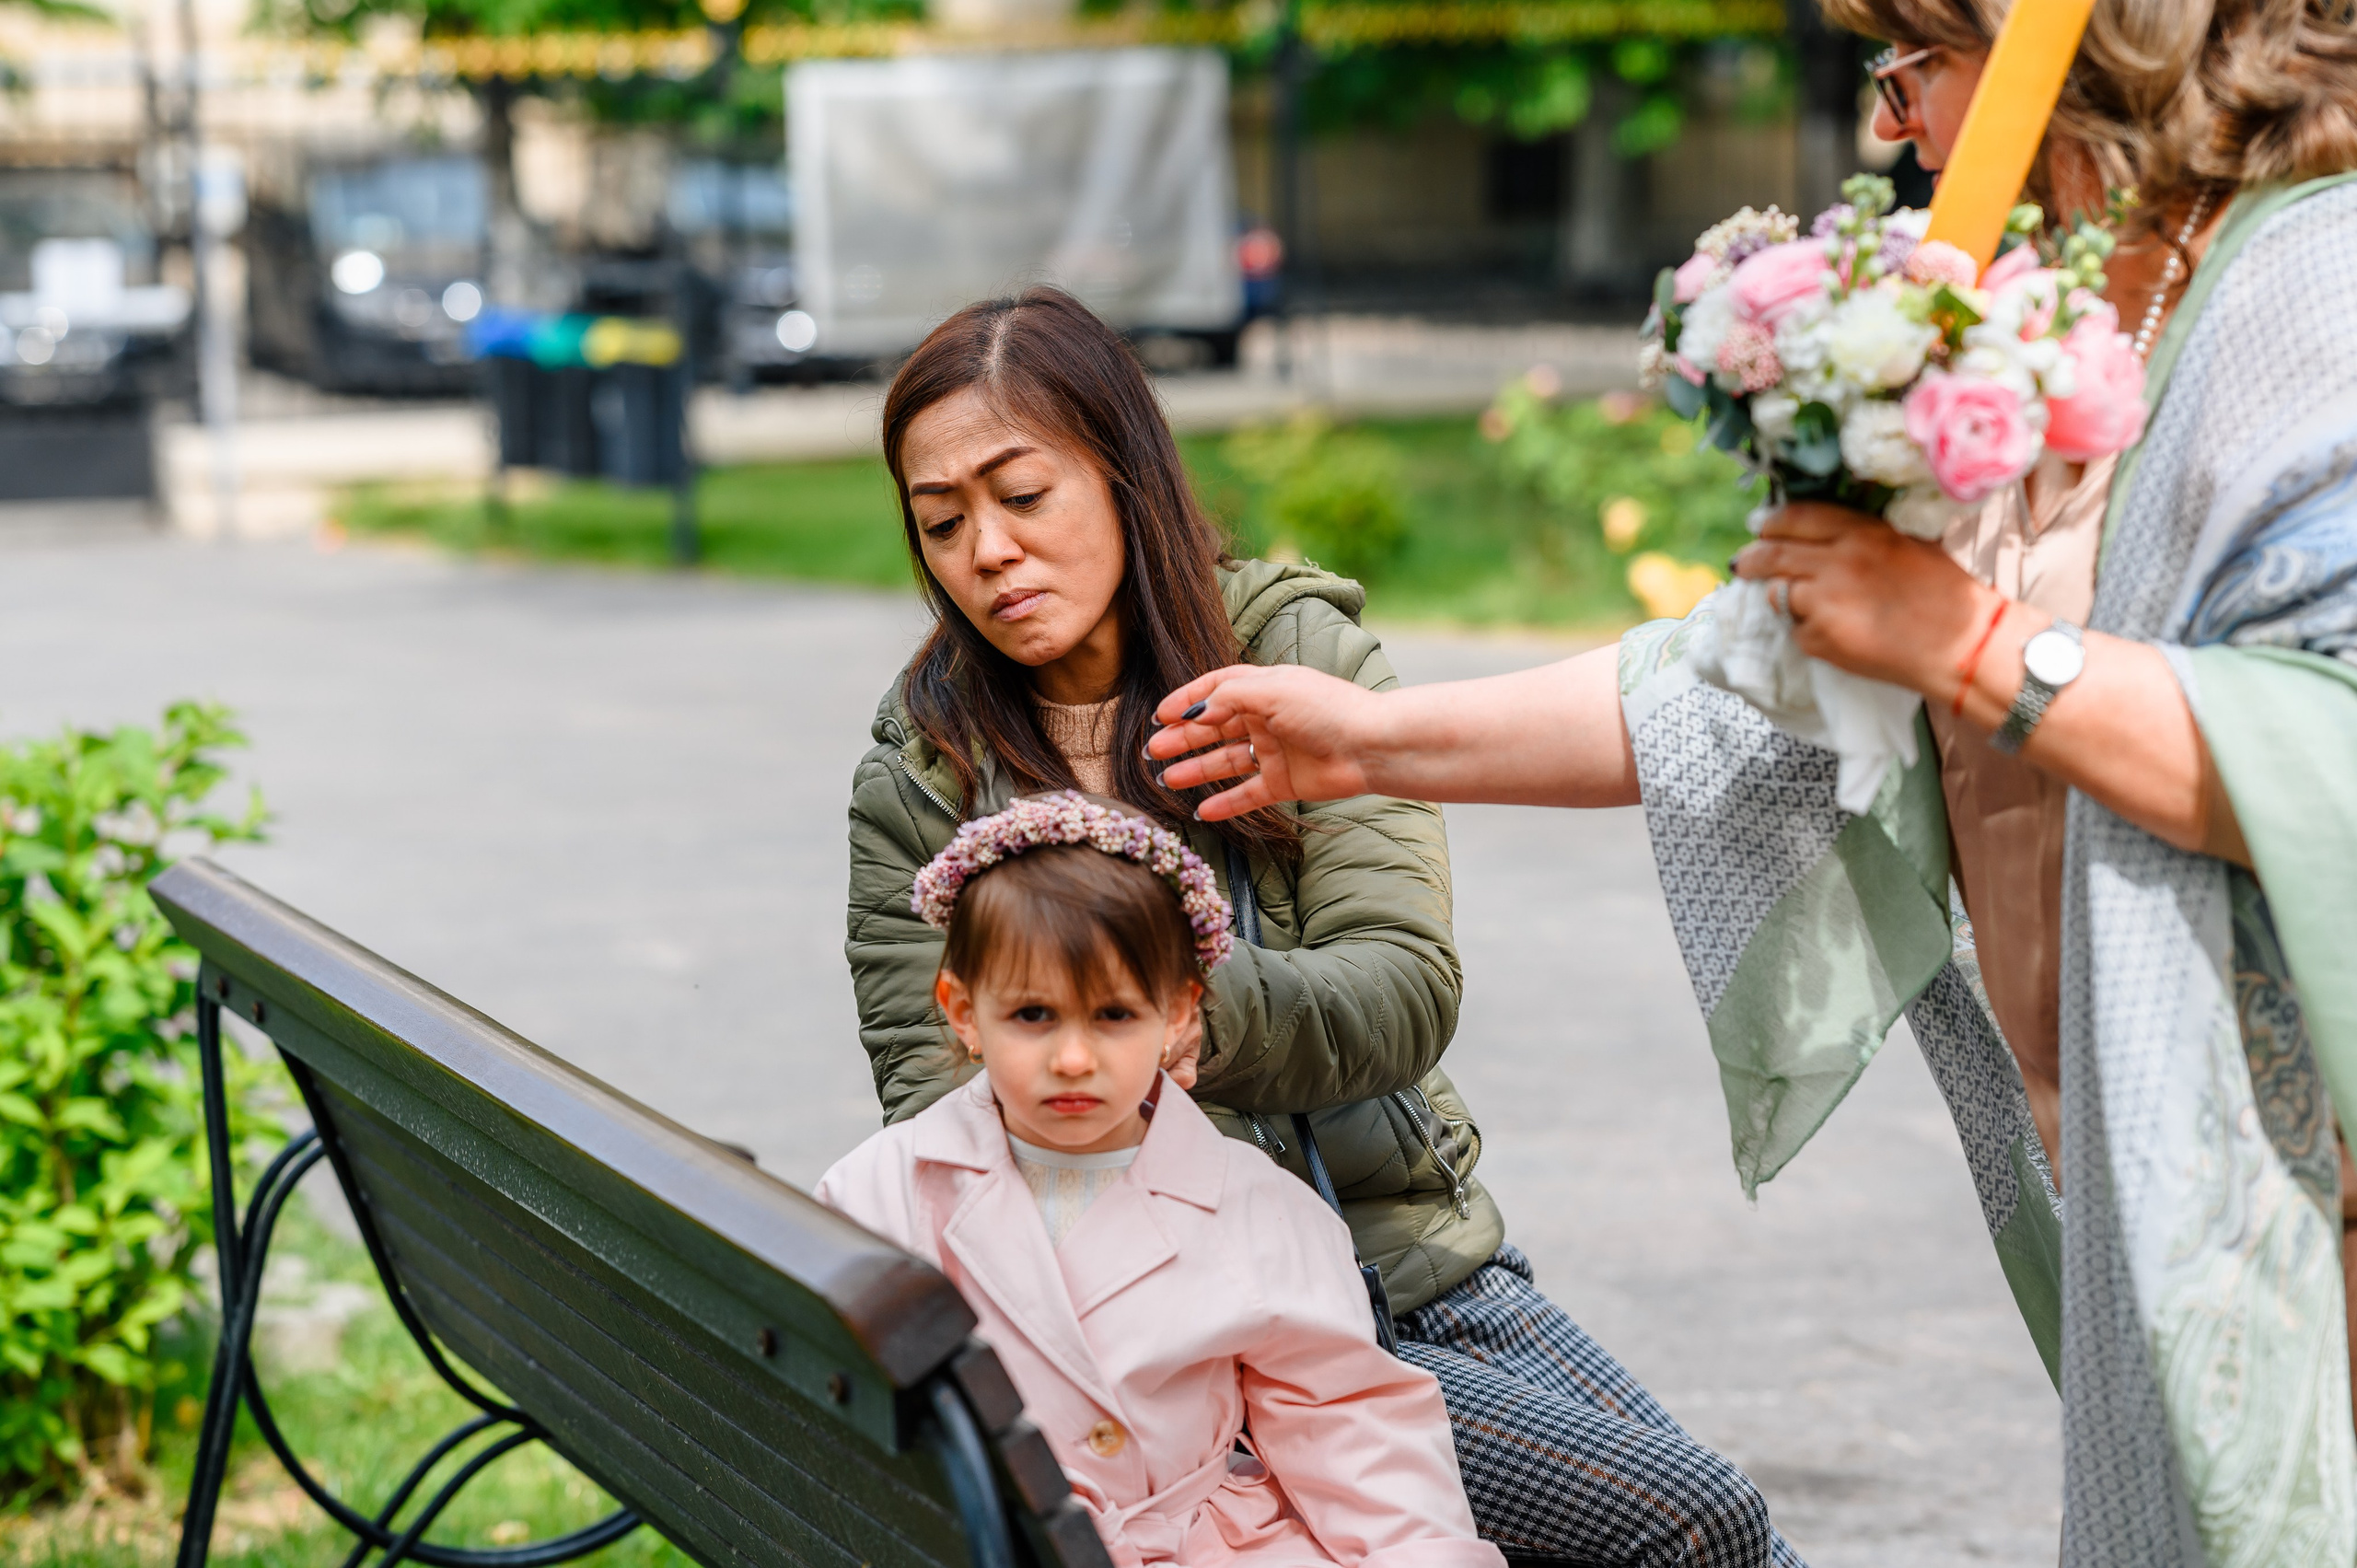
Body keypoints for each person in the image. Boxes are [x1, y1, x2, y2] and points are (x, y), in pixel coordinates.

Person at [1146, 5, 2357, 1563]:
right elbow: (1747, 690)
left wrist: (1974, 645)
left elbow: (2323, 739)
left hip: (2306, 1184)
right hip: (2132, 1171)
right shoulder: (2070, 305)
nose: (1891, 128)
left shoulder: (2313, 285)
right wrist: (1367, 740)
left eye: (1911, 64)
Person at [845, 286, 1807, 1566]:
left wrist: (1154, 1014)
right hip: (1171, 1326)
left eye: (1024, 497)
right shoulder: (926, 769)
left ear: (1125, 475)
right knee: (1687, 1523)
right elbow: (934, 1087)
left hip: (1410, 1262)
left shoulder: (1294, 657)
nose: (989, 552)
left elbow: (1399, 985)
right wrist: (1125, 1030)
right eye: (943, 520)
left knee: (1730, 1533)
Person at [819, 792, 1504, 1568]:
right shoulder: (888, 1190)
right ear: (964, 1011)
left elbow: (1346, 1419)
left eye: (1113, 1016)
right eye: (1034, 1015)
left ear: (1179, 1014)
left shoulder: (1256, 1207)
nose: (1073, 1058)